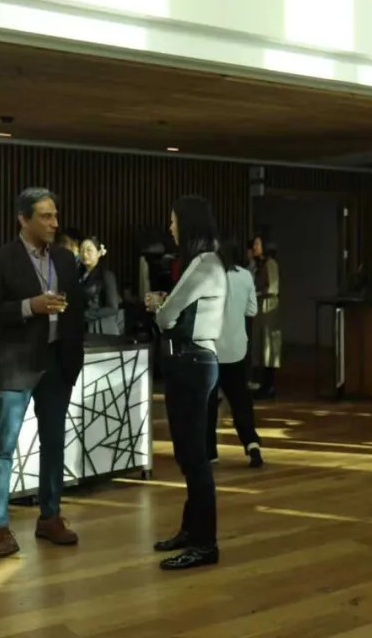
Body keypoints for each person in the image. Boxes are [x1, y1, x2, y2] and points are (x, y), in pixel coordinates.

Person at [0, 187, 85, 558]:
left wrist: (73, 360)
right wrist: (28, 306)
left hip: (56, 363)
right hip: (17, 363)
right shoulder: (0, 260)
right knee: (3, 449)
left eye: (55, 215)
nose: (54, 223)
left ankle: (50, 518)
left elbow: (78, 310)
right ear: (23, 219)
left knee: (54, 443)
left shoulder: (66, 260)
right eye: (45, 216)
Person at [146, 195, 227, 570]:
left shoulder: (203, 264)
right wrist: (166, 304)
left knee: (194, 458)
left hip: (191, 363)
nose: (171, 228)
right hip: (191, 362)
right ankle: (190, 531)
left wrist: (159, 305)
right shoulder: (204, 263)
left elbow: (166, 319)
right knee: (187, 455)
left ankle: (205, 544)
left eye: (175, 221)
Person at [210, 238, 264, 468]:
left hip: (212, 349)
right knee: (241, 402)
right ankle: (251, 444)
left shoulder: (210, 278)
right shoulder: (245, 276)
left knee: (209, 403)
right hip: (237, 349)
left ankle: (209, 452)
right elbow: (252, 309)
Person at [248, 235, 282, 399]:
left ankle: (268, 386)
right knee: (259, 345)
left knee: (268, 346)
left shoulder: (271, 264)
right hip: (260, 308)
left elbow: (273, 287)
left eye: (257, 244)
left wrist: (257, 293)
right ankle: (261, 384)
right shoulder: (259, 265)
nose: (254, 247)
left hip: (268, 308)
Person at [80, 235, 121, 335]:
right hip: (83, 326)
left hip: (101, 327)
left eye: (89, 250)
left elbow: (112, 308)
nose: (85, 254)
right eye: (82, 250)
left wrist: (85, 314)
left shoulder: (106, 275)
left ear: (98, 253)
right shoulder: (78, 274)